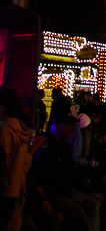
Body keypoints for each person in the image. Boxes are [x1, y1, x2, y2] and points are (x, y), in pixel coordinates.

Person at [36, 111, 100, 231]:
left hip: (69, 191)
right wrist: (47, 199)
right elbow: (43, 178)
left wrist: (88, 191)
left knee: (93, 204)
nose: (72, 127)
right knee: (78, 212)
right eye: (68, 124)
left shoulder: (64, 146)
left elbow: (72, 173)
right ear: (58, 126)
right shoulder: (46, 147)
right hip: (56, 195)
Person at [0, 88, 33, 231]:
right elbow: (24, 164)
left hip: (4, 192)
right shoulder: (21, 129)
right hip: (15, 192)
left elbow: (2, 163)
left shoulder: (6, 131)